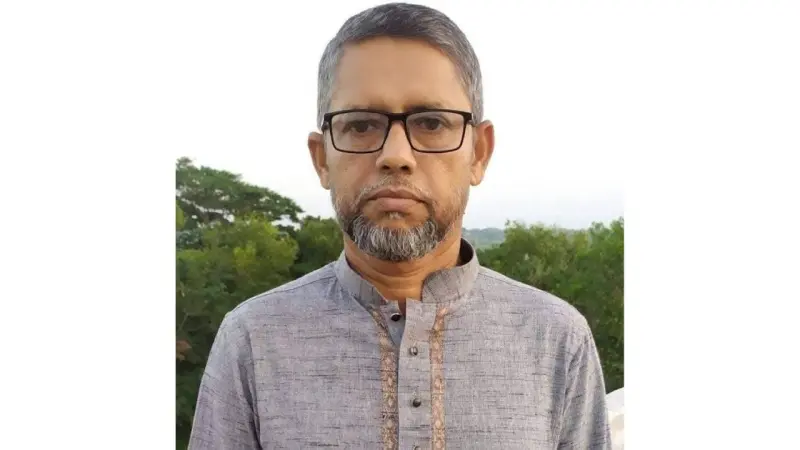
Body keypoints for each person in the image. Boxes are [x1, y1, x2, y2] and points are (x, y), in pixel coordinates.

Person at [188, 2, 611, 449]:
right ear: (321, 158)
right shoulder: (253, 340)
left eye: (431, 123)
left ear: (479, 153)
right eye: (361, 125)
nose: (396, 155)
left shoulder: (556, 338)